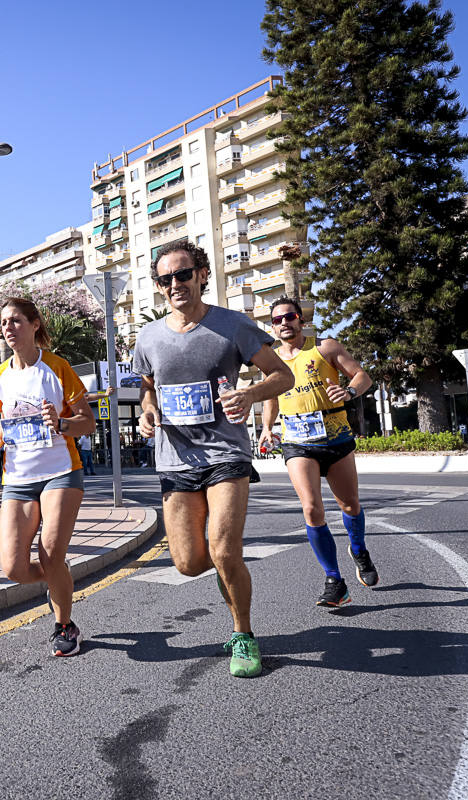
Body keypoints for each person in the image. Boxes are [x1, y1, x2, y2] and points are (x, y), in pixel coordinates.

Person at [132, 241, 292, 677]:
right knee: (188, 563)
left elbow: (283, 374)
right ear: (158, 286)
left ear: (202, 273)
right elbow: (149, 387)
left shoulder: (233, 326)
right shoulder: (148, 337)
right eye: (165, 279)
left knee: (223, 549)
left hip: (225, 453)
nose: (175, 285)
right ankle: (229, 570)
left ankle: (243, 633)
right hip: (175, 459)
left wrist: (250, 394)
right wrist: (148, 412)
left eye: (183, 274)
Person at [0, 297, 96, 657]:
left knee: (50, 553)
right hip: (17, 477)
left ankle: (64, 624)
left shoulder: (57, 367)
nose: (8, 328)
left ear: (35, 325)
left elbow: (89, 423)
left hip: (61, 471)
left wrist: (62, 423)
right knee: (13, 568)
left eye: (16, 321)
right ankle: (58, 575)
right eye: (3, 323)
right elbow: (6, 423)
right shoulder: (0, 374)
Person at [259, 297, 379, 610]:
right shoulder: (271, 360)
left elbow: (362, 376)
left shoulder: (325, 348)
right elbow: (270, 398)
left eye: (290, 317)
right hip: (297, 443)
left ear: (301, 319)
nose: (284, 323)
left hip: (336, 438)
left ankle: (358, 548)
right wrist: (266, 427)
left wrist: (349, 391)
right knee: (312, 509)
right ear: (272, 326)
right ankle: (334, 581)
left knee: (350, 505)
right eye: (277, 320)